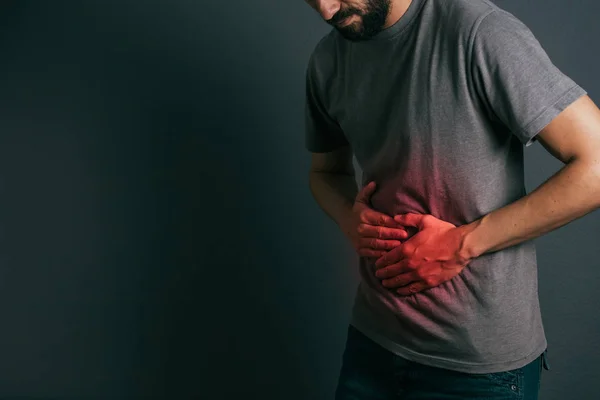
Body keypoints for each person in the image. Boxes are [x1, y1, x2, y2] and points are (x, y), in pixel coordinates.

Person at [303, 0, 600, 398]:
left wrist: (462, 244)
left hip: (476, 369)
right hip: (372, 346)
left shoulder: (481, 32)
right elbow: (326, 173)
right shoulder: (327, 59)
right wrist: (347, 217)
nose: (326, 10)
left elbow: (596, 167)